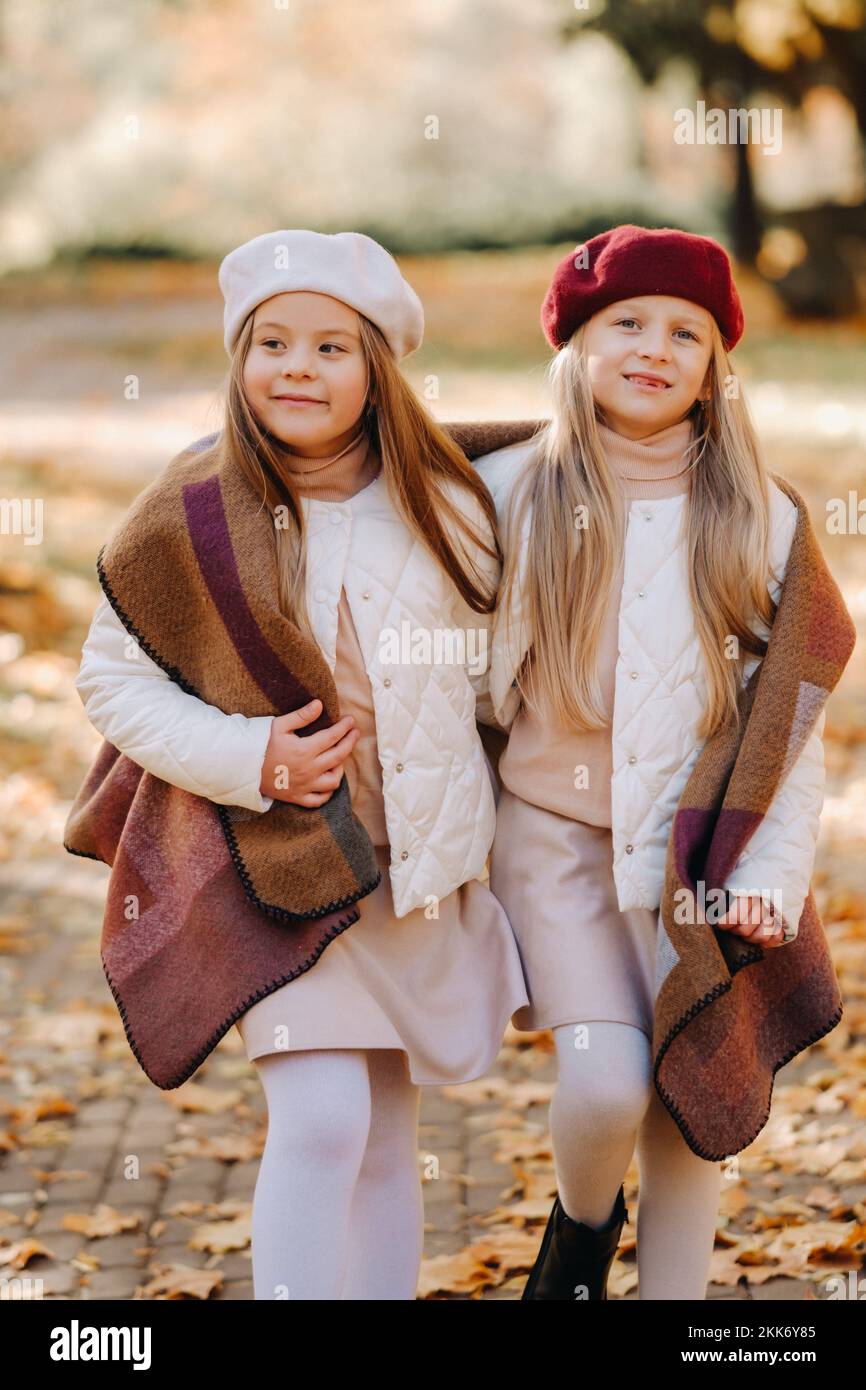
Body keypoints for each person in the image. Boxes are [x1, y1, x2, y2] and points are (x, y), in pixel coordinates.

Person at [72, 229, 530, 1300]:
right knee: (321, 1119)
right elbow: (113, 683)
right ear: (238, 361)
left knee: (382, 1133)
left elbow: (499, 681)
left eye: (330, 347)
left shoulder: (451, 502)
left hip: (409, 872)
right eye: (271, 342)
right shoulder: (192, 510)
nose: (296, 368)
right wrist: (252, 757)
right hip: (279, 866)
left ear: (377, 366)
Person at [473, 223, 837, 1300]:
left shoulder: (758, 522)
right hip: (550, 843)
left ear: (714, 367)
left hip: (695, 856)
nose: (653, 346)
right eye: (623, 322)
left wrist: (767, 876)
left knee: (690, 1110)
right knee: (601, 1083)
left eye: (685, 331)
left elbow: (789, 724)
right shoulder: (500, 495)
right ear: (574, 346)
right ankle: (579, 1240)